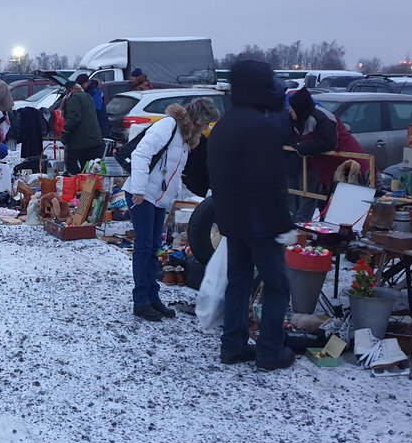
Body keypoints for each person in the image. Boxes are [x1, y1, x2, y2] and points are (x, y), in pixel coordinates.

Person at [207, 60, 296, 371]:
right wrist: (284, 225)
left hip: (232, 220)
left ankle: (232, 346)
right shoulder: (263, 128)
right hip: (261, 222)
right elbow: (270, 183)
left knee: (238, 282)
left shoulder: (224, 125)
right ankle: (270, 351)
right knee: (276, 286)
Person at [125, 99, 220, 321]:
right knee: (144, 247)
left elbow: (173, 169)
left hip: (158, 198)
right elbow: (141, 154)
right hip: (142, 194)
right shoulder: (167, 126)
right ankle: (141, 301)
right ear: (198, 119)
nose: (206, 129)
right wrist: (138, 189)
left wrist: (172, 193)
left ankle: (152, 297)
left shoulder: (185, 137)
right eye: (206, 124)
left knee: (153, 248)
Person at [286, 87, 365, 222]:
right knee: (317, 196)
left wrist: (300, 146)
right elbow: (291, 138)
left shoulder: (321, 118)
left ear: (299, 108)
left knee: (342, 197)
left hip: (345, 161)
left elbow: (327, 143)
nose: (289, 111)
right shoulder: (296, 117)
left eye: (292, 108)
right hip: (321, 163)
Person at [60, 81, 105, 175]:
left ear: (71, 90)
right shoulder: (88, 96)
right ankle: (92, 187)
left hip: (80, 142)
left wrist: (65, 131)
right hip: (95, 141)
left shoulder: (74, 98)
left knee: (72, 167)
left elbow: (74, 117)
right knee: (92, 173)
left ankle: (74, 184)